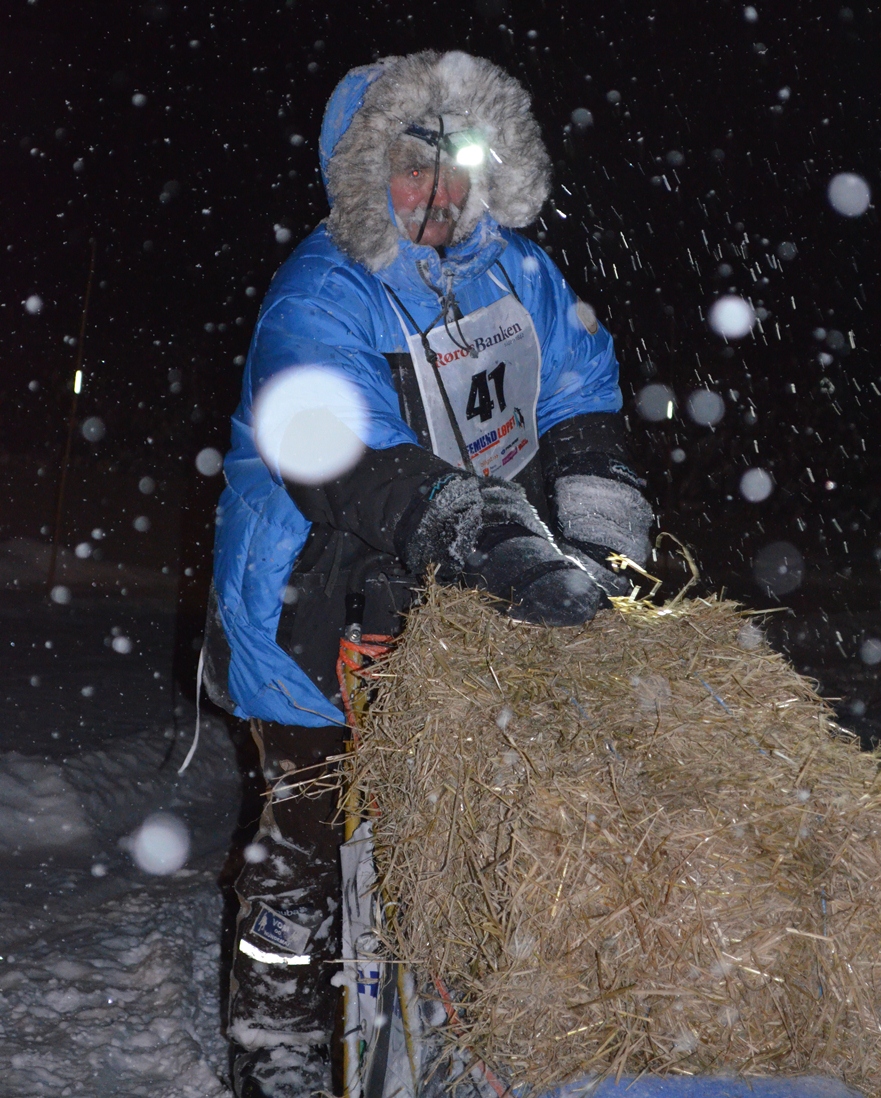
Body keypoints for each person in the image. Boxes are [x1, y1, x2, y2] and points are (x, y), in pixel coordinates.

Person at [205, 49, 653, 1098]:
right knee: (309, 833)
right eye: (414, 166)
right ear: (365, 172)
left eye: (462, 164)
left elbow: (580, 396)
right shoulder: (322, 290)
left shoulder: (521, 276)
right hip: (310, 600)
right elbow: (342, 448)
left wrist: (601, 541)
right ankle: (275, 1041)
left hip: (461, 598)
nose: (442, 192)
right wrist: (499, 542)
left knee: (475, 811)